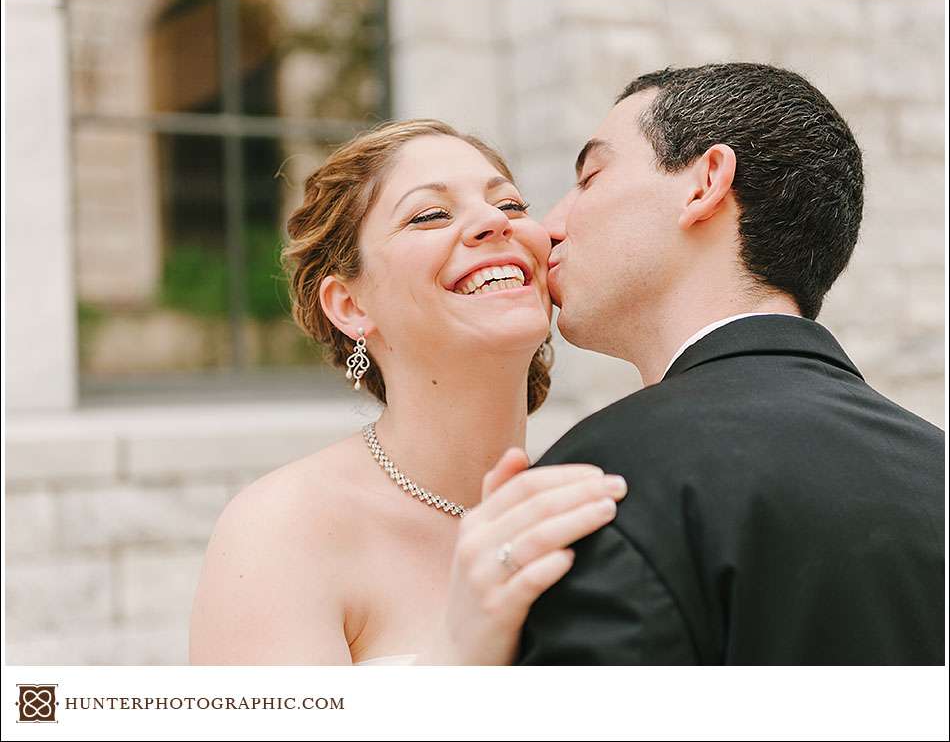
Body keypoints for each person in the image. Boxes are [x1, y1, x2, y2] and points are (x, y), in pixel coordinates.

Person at [515, 63, 945, 665]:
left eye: (590, 178)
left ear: (705, 183)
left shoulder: (600, 480)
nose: (547, 227)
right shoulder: (936, 467)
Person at [188, 119, 628, 665]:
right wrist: (463, 647)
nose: (495, 221)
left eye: (511, 206)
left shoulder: (596, 497)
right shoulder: (280, 529)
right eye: (430, 215)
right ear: (350, 306)